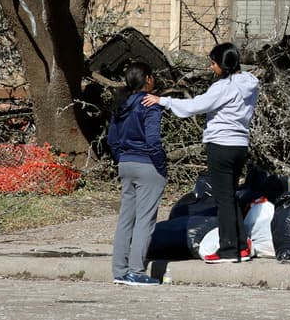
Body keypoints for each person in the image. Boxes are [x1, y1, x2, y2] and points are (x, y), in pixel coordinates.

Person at [143, 42, 259, 263]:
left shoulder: (223, 87)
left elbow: (196, 106)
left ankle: (228, 249)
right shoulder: (250, 83)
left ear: (223, 66)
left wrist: (163, 101)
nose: (211, 67)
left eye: (213, 63)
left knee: (223, 199)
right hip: (240, 145)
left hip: (221, 146)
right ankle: (241, 246)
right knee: (231, 195)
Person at [107, 61, 167, 286]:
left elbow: (112, 139)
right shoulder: (150, 105)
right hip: (147, 165)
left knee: (125, 219)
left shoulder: (121, 104)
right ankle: (136, 270)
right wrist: (161, 165)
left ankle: (119, 270)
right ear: (148, 79)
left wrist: (121, 158)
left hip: (126, 164)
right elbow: (153, 140)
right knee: (145, 220)